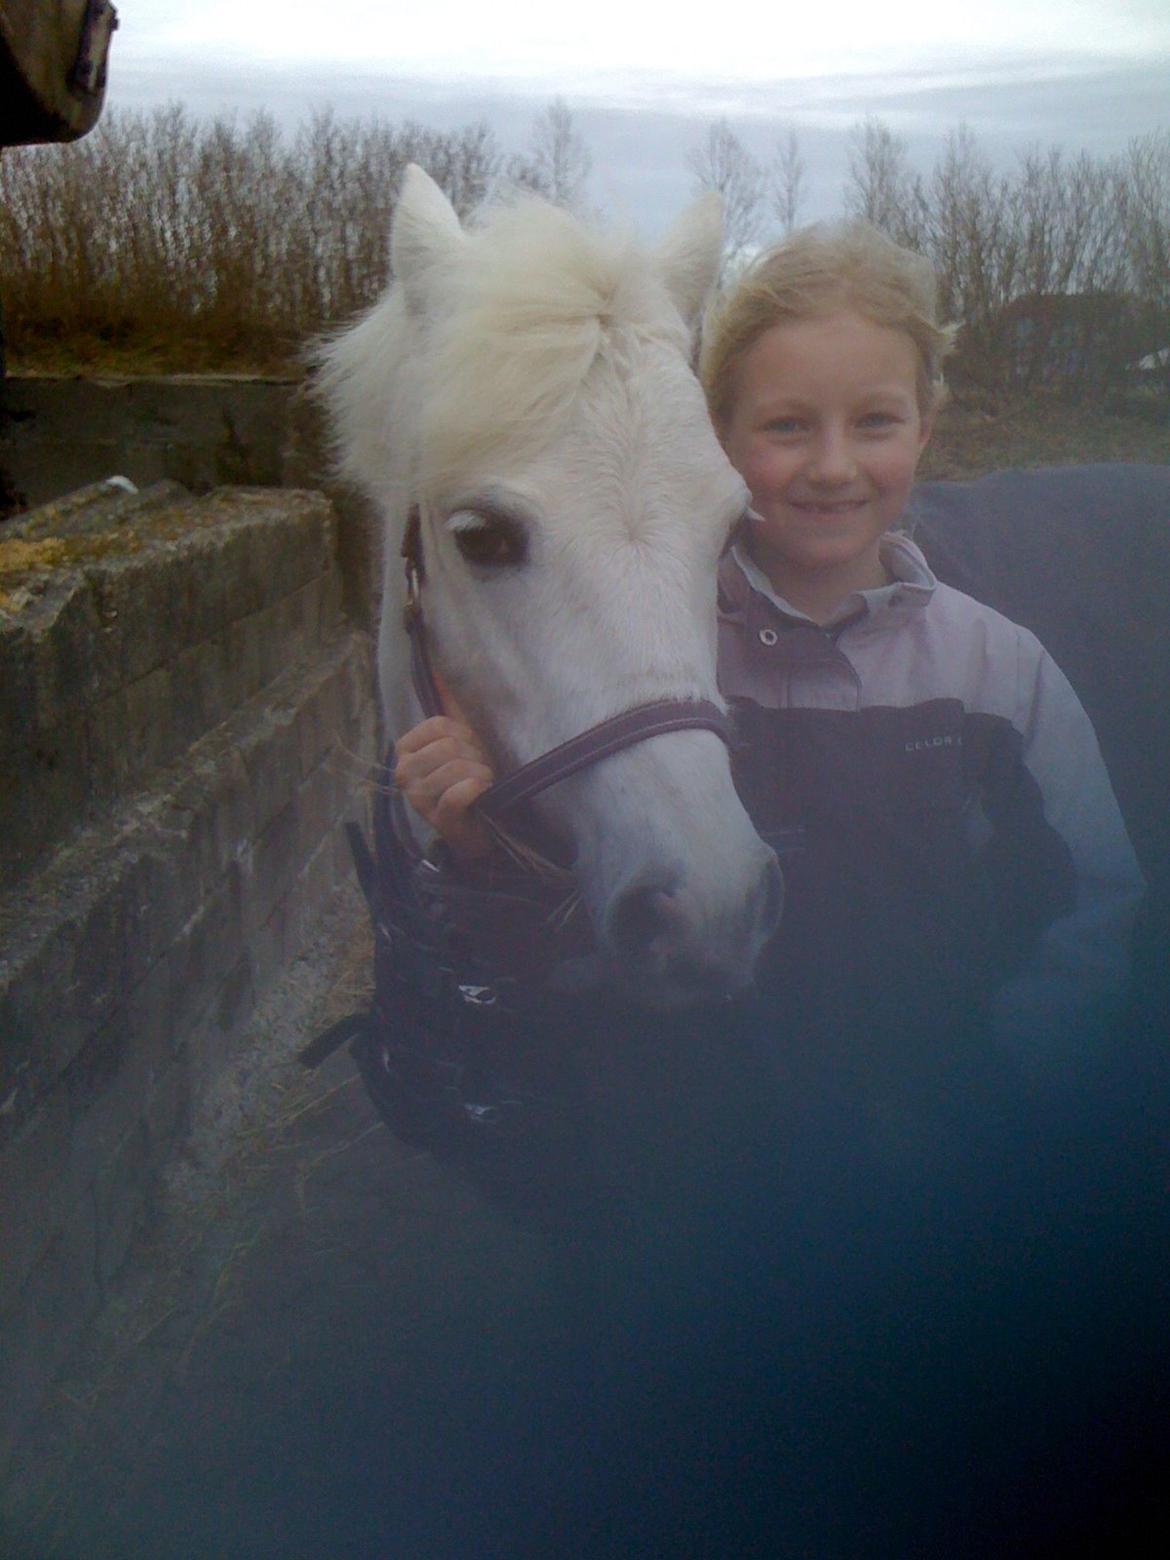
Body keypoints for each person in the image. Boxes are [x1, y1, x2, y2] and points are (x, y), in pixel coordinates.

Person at [396, 221, 1143, 1112]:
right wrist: (486, 849)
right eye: (787, 425)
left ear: (925, 426)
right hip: (710, 1145)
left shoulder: (999, 670)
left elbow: (1093, 906)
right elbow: (563, 944)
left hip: (948, 1130)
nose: (832, 468)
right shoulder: (650, 663)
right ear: (716, 433)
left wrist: (1015, 1091)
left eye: (874, 421)